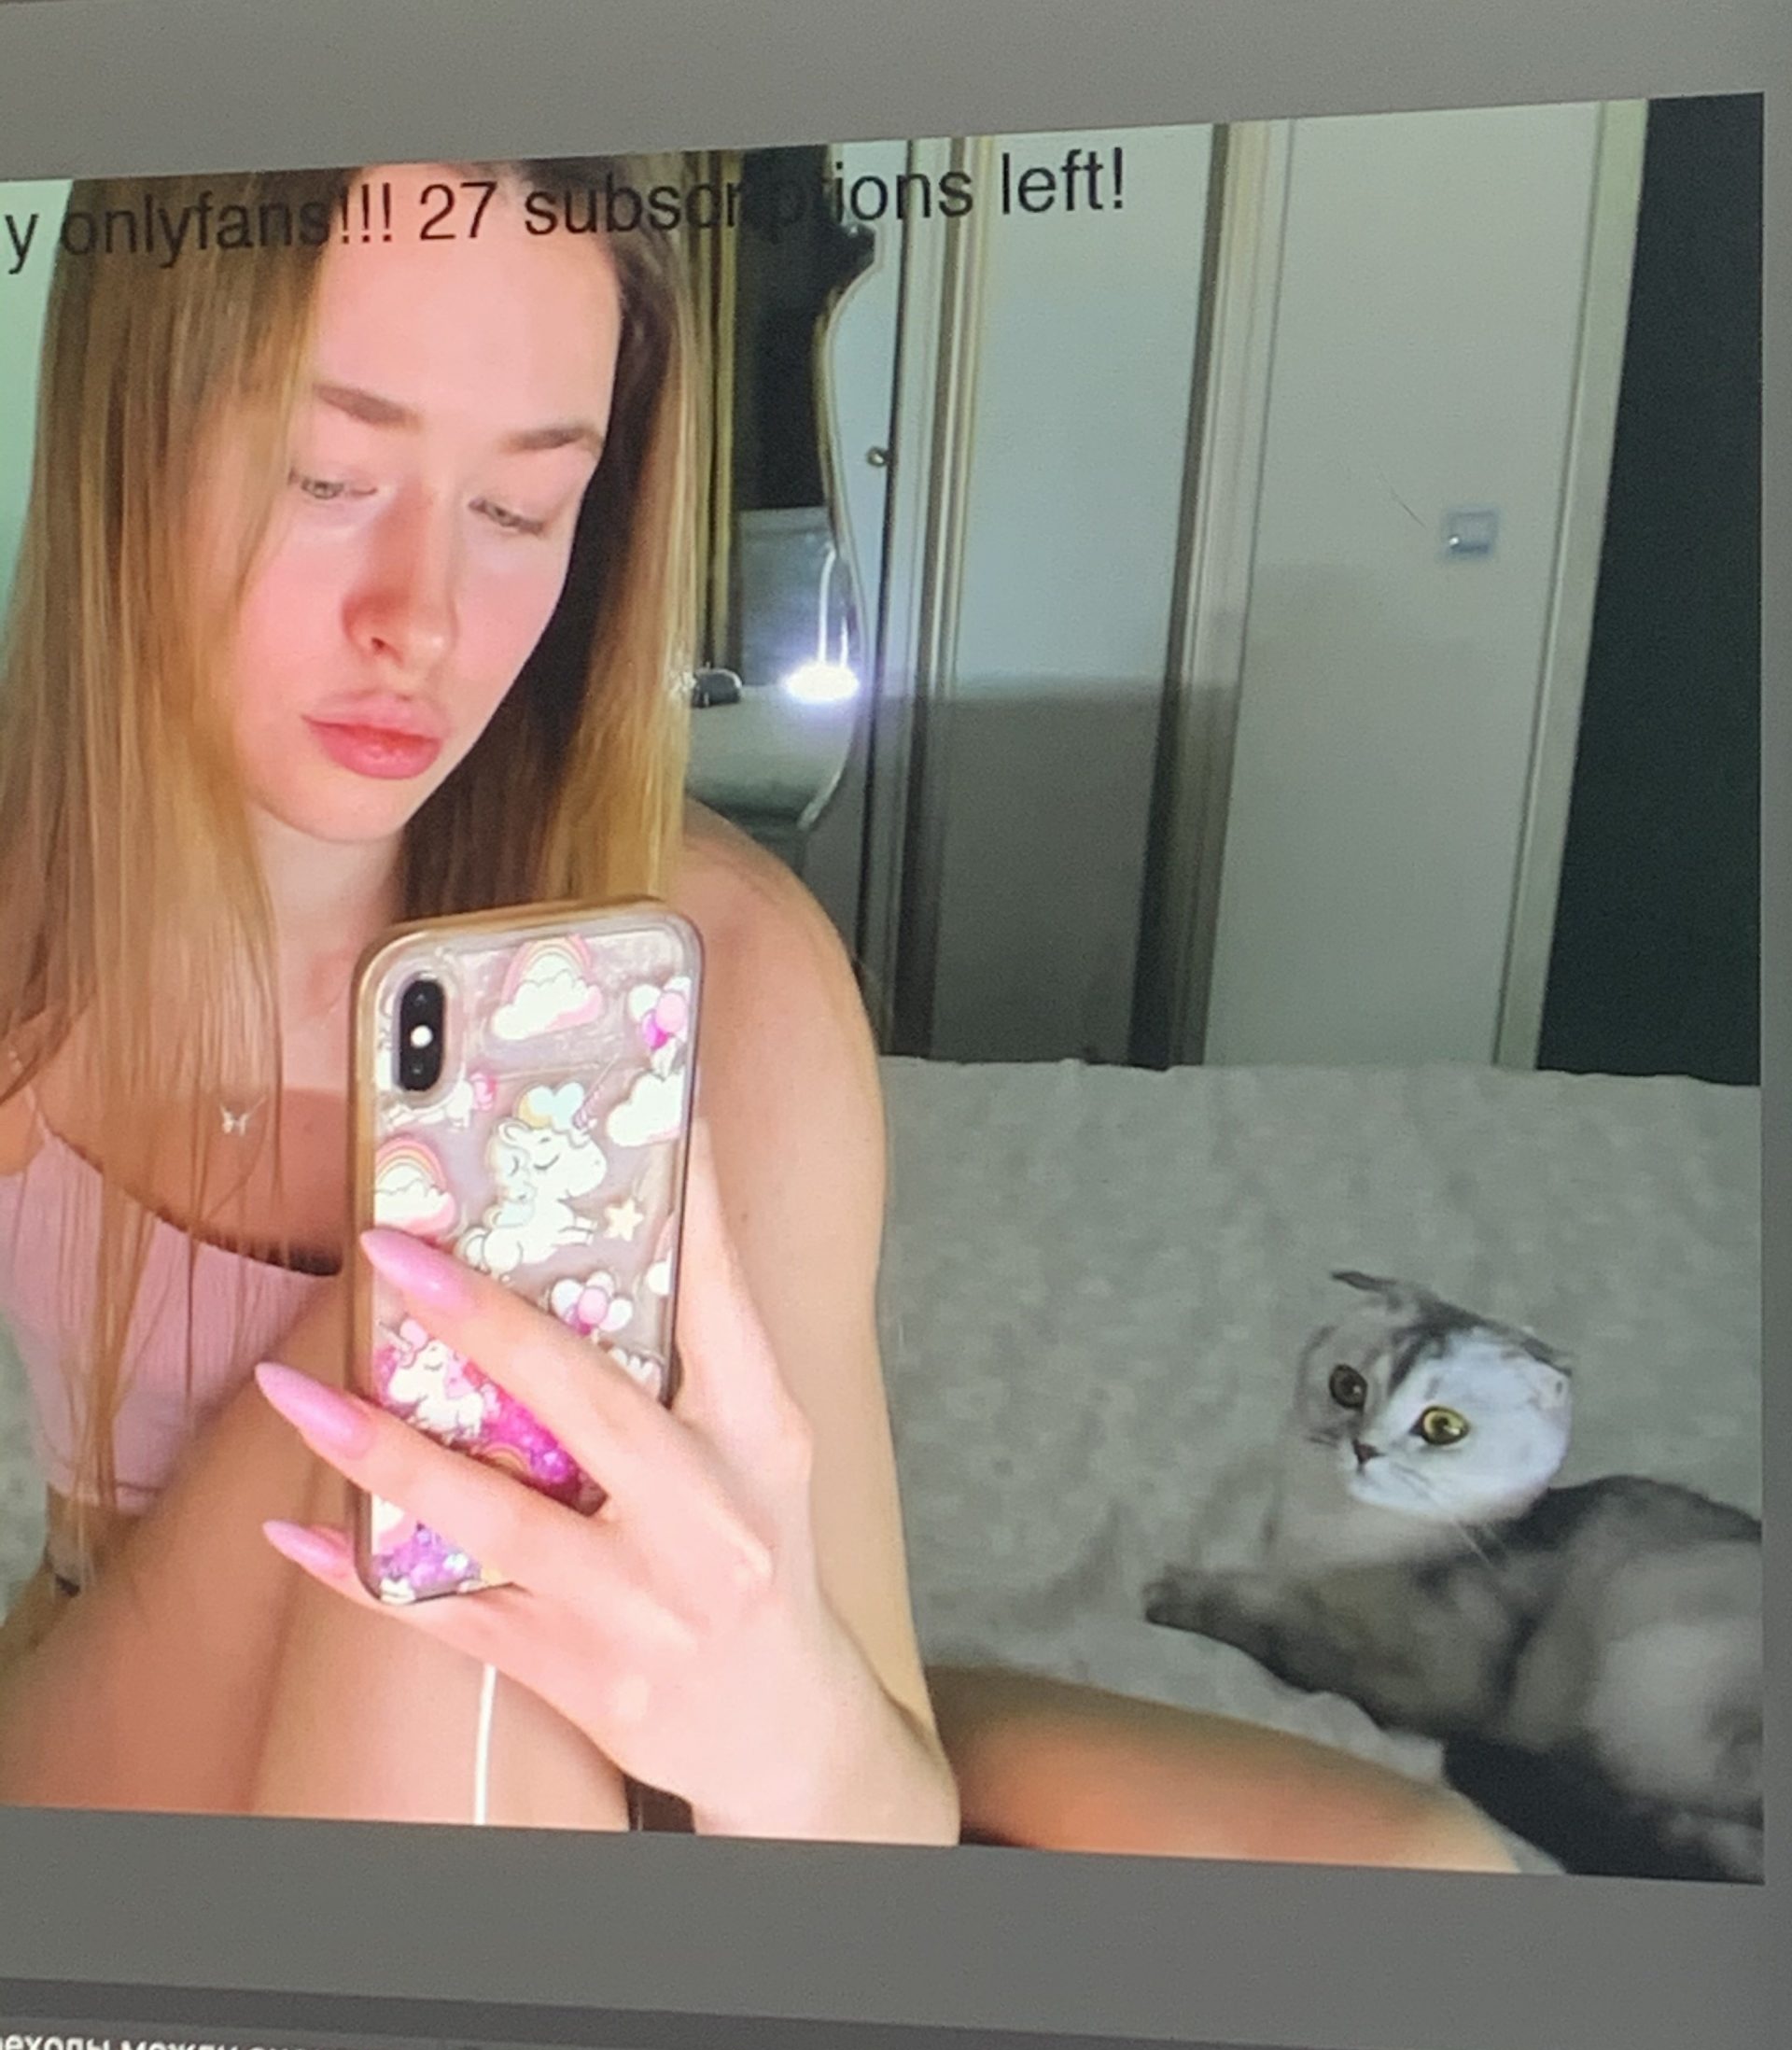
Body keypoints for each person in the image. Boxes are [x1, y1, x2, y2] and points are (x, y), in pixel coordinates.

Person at [0, 158, 1510, 1869]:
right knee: (465, 1376)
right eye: (326, 475)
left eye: (521, 510)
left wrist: (775, 1727)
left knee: (1424, 1875)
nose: (419, 620)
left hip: (633, 1708)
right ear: (124, 432)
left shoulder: (716, 974)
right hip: (144, 1708)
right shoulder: (34, 902)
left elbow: (873, 1803)